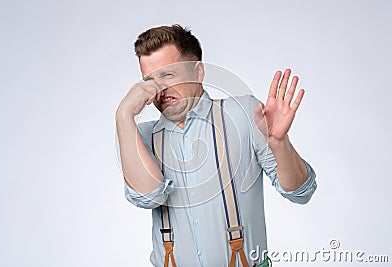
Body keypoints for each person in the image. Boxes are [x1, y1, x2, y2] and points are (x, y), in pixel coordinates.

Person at [115, 24, 317, 267]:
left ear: (198, 72)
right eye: (149, 80)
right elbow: (148, 197)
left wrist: (280, 143)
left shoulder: (243, 113)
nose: (159, 89)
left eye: (169, 75)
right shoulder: (142, 136)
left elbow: (300, 192)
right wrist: (124, 116)